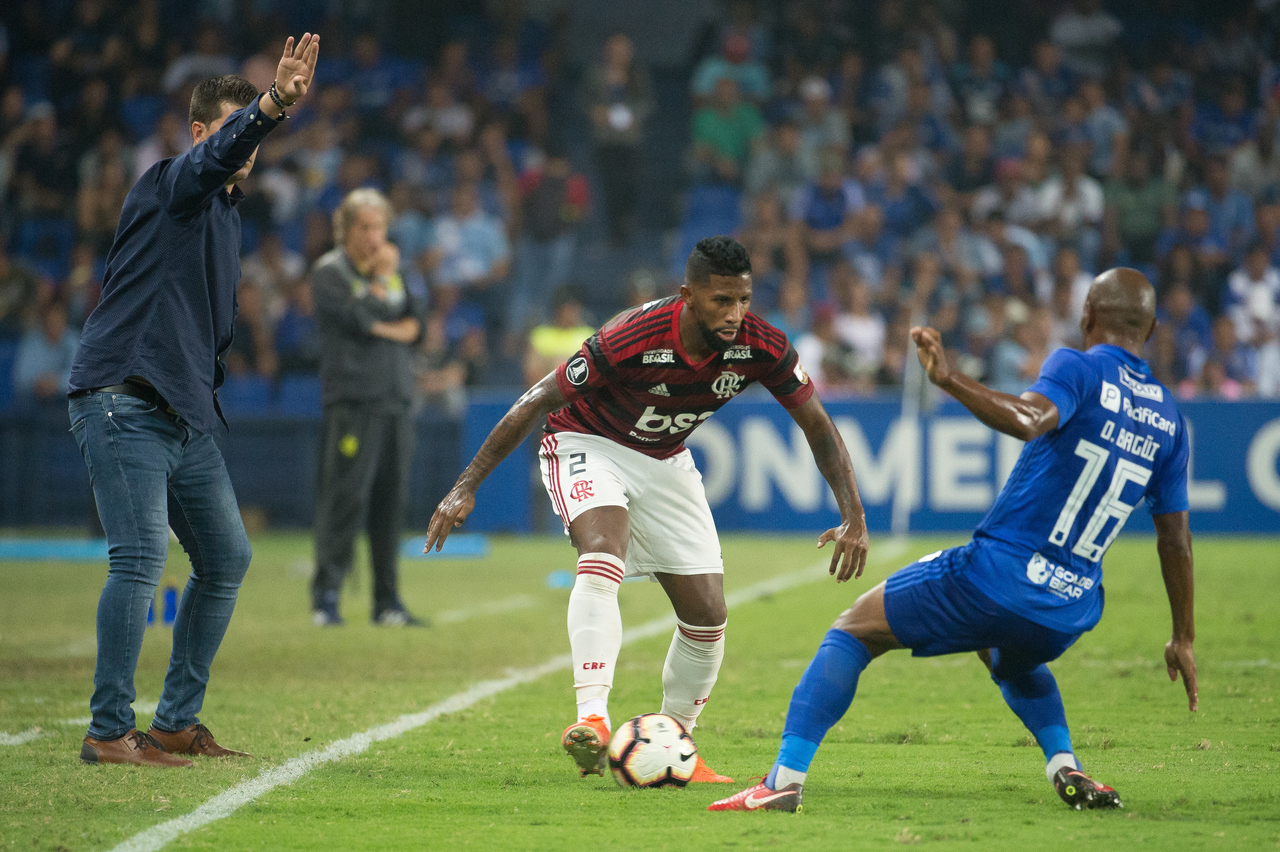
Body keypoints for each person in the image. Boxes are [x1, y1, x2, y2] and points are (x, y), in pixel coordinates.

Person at [710, 267, 1196, 813]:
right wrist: (1183, 636)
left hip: (997, 574)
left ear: (1087, 316)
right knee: (1007, 654)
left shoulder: (1077, 368)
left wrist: (950, 380)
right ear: (1152, 328)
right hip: (1071, 606)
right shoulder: (1170, 420)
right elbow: (1175, 537)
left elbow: (1030, 418)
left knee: (853, 631)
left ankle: (782, 783)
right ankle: (1067, 767)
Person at [425, 236, 870, 782]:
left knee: (708, 615)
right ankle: (591, 717)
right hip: (586, 441)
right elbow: (538, 398)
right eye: (721, 302)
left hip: (663, 457)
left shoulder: (762, 344)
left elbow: (819, 427)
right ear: (688, 295)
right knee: (603, 550)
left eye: (744, 300)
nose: (734, 315)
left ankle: (676, 742)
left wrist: (853, 514)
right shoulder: (632, 335)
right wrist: (465, 486)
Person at [66, 36, 320, 768]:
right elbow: (210, 165)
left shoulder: (226, 216)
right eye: (239, 127)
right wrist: (273, 104)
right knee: (141, 559)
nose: (252, 143)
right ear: (203, 131)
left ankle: (176, 723)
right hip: (124, 398)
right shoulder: (169, 183)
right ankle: (109, 731)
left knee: (227, 557)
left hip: (181, 413)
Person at [310, 188, 427, 627]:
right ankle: (326, 597)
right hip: (354, 402)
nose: (375, 237)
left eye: (380, 227)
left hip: (396, 399)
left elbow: (418, 326)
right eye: (365, 227)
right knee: (345, 499)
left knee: (390, 503)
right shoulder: (330, 273)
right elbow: (359, 320)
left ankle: (387, 601)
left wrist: (385, 325)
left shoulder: (399, 273)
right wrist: (379, 290)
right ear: (345, 230)